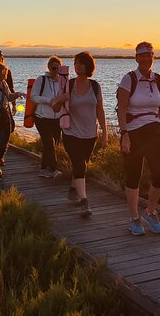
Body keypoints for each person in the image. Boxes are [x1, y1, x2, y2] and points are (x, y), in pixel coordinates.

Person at [116, 41, 160, 236]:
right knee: (134, 176)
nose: (147, 59)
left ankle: (149, 211)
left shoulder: (158, 79)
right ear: (136, 58)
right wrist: (124, 135)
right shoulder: (128, 79)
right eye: (143, 55)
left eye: (150, 55)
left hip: (154, 130)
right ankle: (134, 218)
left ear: (153, 57)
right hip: (133, 131)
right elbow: (122, 109)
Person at [52, 52, 107, 217]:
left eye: (81, 63)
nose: (77, 66)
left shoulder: (95, 86)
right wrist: (62, 99)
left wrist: (104, 132)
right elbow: (55, 108)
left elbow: (100, 109)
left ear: (88, 66)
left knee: (81, 166)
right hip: (71, 133)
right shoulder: (67, 85)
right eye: (76, 63)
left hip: (90, 134)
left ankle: (72, 189)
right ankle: (84, 201)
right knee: (79, 164)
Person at [31, 56, 64, 178]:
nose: (56, 71)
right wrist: (48, 101)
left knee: (51, 144)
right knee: (49, 142)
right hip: (41, 117)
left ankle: (43, 169)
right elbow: (33, 97)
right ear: (49, 68)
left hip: (57, 118)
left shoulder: (63, 81)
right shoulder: (41, 79)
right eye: (54, 68)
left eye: (59, 68)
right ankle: (55, 170)